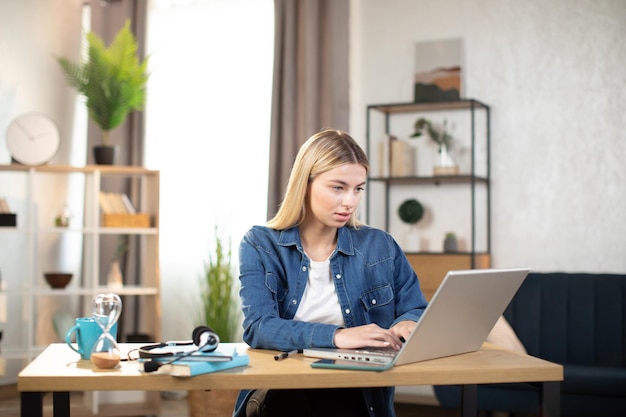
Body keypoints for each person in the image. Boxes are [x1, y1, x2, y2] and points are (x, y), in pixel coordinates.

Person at [233, 128, 428, 417]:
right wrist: (337, 336)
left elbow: (414, 307)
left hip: (358, 390)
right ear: (305, 184)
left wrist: (408, 323)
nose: (350, 201)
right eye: (338, 187)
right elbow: (259, 327)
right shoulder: (261, 243)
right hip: (285, 390)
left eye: (358, 188)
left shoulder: (380, 245)